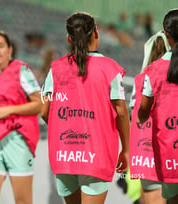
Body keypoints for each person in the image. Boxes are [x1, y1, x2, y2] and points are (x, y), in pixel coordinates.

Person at [40, 12, 130, 204]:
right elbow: (121, 112)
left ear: (68, 38)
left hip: (64, 154)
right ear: (96, 33)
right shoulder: (110, 69)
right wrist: (127, 150)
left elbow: (45, 112)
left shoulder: (55, 68)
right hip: (96, 154)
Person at [0, 31, 42, 204]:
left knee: (23, 200)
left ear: (10, 50)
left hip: (18, 140)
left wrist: (10, 110)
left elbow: (39, 104)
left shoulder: (21, 70)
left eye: (1, 46)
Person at [138, 8, 178, 203]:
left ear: (167, 36)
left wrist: (141, 115)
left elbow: (143, 112)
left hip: (168, 154)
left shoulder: (153, 71)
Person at [130, 30, 169, 204]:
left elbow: (135, 115)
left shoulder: (139, 80)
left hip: (143, 150)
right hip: (165, 148)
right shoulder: (168, 78)